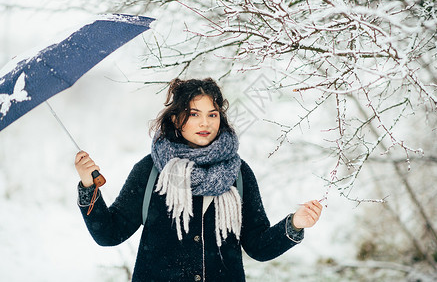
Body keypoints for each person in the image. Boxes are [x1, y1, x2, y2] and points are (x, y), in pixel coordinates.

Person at [75, 77, 323, 282]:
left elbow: (257, 246)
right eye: (194, 114)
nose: (205, 122)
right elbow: (109, 234)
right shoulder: (151, 170)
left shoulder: (238, 172)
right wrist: (88, 187)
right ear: (175, 119)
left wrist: (294, 224)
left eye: (212, 114)